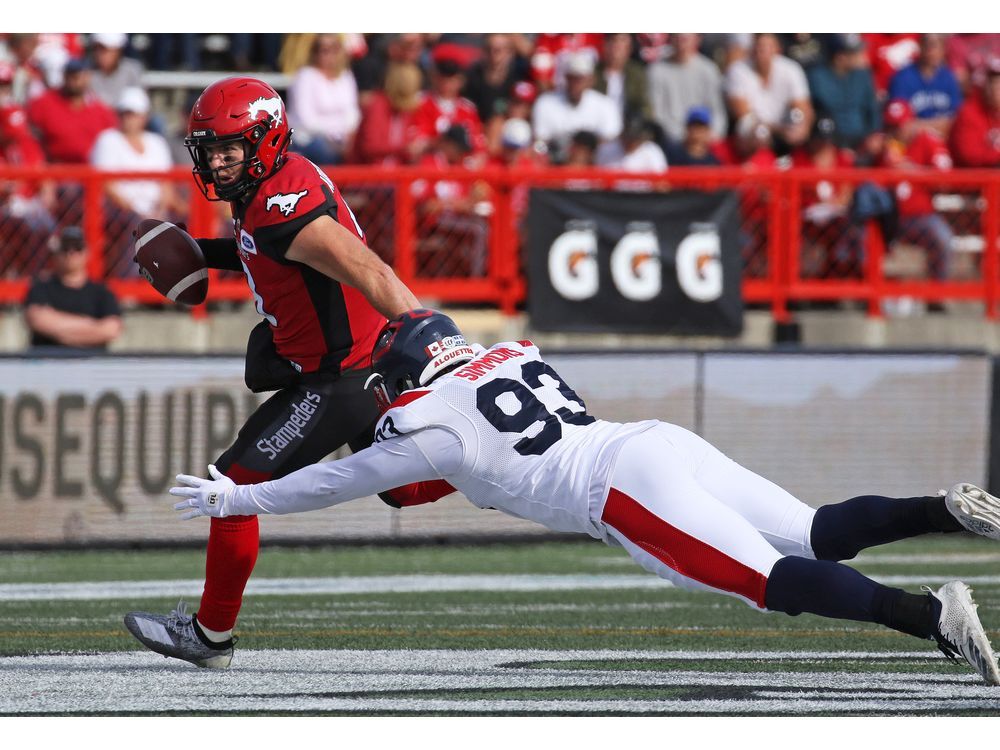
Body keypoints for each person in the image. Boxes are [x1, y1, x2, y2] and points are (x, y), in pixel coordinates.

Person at [145, 309, 1000, 686]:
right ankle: (940, 510)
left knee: (773, 581)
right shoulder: (511, 351)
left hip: (619, 489)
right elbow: (458, 463)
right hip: (655, 441)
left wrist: (239, 501)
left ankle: (931, 619)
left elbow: (344, 480)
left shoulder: (430, 421)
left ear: (399, 375)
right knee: (816, 532)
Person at [122, 77, 421, 668]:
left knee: (233, 487)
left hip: (341, 376)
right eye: (209, 149)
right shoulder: (276, 185)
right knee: (405, 485)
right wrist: (205, 252)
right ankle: (498, 460)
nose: (218, 161)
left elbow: (373, 272)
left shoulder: (284, 211)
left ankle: (209, 638)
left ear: (265, 138)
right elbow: (269, 249)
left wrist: (434, 341)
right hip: (351, 367)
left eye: (230, 147)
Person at [90, 86, 184, 277]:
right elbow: (107, 186)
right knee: (136, 224)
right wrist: (138, 212)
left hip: (154, 209)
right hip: (119, 211)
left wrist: (160, 210)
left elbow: (166, 185)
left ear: (144, 117)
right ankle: (130, 282)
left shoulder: (156, 143)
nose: (128, 118)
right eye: (124, 113)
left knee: (187, 221)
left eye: (133, 114)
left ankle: (178, 280)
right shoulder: (108, 140)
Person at [23, 226, 122, 350]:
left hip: (92, 365)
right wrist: (90, 325)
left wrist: (59, 329)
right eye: (65, 248)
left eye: (77, 247)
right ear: (56, 253)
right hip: (48, 364)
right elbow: (37, 320)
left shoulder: (102, 292)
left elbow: (110, 330)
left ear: (87, 252)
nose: (71, 253)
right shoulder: (40, 287)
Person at [725, 33, 813, 154]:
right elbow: (743, 114)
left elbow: (803, 107)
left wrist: (801, 126)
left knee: (801, 127)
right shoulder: (738, 70)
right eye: (759, 46)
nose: (762, 51)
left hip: (784, 131)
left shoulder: (791, 69)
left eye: (767, 46)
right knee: (756, 131)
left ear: (777, 49)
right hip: (755, 132)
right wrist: (778, 130)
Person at [532, 52, 622, 164]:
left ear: (591, 80)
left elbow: (611, 141)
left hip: (595, 166)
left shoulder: (605, 104)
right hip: (556, 166)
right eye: (572, 78)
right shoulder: (546, 102)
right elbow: (540, 144)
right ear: (566, 78)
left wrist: (582, 149)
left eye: (580, 79)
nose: (575, 84)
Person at [286, 34, 361, 166]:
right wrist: (334, 134)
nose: (328, 54)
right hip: (309, 138)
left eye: (334, 48)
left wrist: (348, 134)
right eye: (323, 49)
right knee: (325, 150)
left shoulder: (345, 75)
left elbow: (352, 111)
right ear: (314, 51)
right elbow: (305, 119)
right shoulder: (305, 76)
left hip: (342, 137)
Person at [26, 57, 117, 163]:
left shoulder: (101, 111)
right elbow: (29, 138)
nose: (76, 78)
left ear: (88, 76)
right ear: (64, 76)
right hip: (54, 170)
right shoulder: (43, 103)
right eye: (72, 74)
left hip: (91, 173)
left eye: (81, 74)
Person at [647, 33, 727, 145]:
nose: (681, 42)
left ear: (697, 39)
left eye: (685, 38)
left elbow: (718, 113)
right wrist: (685, 137)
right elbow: (658, 116)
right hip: (671, 142)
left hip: (706, 141)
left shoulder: (709, 70)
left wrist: (710, 134)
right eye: (677, 37)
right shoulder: (656, 70)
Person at [806, 34, 881, 152]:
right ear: (840, 57)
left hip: (861, 142)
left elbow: (872, 109)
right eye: (854, 53)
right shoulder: (817, 77)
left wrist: (874, 134)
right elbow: (815, 112)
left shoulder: (863, 75)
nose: (860, 56)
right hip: (828, 142)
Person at [887, 34, 962, 138]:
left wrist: (920, 126)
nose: (932, 50)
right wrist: (939, 125)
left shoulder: (949, 78)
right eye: (929, 45)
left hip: (944, 140)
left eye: (937, 45)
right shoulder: (902, 77)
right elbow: (901, 127)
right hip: (913, 141)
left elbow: (957, 122)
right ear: (920, 46)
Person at [949, 57, 1000, 167]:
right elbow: (970, 155)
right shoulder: (969, 111)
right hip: (975, 178)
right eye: (992, 83)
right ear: (984, 86)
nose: (995, 88)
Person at [86, 33, 144, 111]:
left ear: (118, 51)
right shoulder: (85, 72)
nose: (100, 54)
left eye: (105, 49)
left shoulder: (131, 71)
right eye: (96, 49)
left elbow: (138, 106)